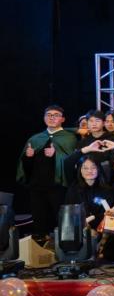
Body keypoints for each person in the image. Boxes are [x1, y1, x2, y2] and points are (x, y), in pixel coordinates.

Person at [18, 105, 79, 246]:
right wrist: (28, 157)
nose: (52, 117)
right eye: (49, 115)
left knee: (60, 217)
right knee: (39, 218)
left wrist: (56, 155)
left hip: (58, 185)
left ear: (63, 119)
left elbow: (72, 161)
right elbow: (25, 166)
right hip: (36, 185)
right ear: (44, 118)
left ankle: (64, 247)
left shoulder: (69, 138)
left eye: (56, 115)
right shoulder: (35, 138)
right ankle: (41, 247)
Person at [63, 152, 114, 242]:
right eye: (85, 168)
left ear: (98, 169)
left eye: (93, 167)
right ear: (80, 170)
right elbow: (69, 213)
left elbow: (108, 214)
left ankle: (103, 244)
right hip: (79, 226)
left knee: (112, 219)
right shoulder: (74, 189)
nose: (89, 171)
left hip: (101, 227)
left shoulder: (107, 190)